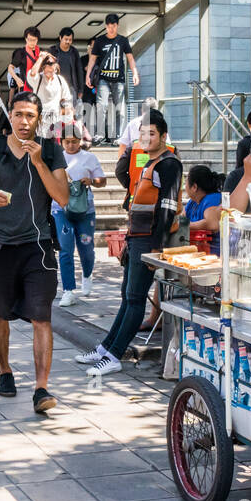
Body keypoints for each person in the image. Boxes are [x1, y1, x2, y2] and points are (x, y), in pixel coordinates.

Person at [0, 92, 71, 413]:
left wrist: (39, 161)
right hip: (0, 245)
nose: (24, 121)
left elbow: (63, 198)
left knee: (41, 317)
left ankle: (41, 388)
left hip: (38, 247)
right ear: (10, 116)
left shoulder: (52, 150)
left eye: (31, 115)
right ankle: (5, 370)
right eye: (19, 115)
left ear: (39, 119)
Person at [78, 109, 181, 376]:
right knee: (127, 296)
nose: (146, 138)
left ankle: (113, 355)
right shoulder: (148, 161)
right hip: (137, 236)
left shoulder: (169, 163)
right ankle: (106, 348)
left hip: (149, 240)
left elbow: (167, 207)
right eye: (143, 133)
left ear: (163, 135)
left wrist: (157, 247)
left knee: (135, 298)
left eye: (152, 133)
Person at [52, 122, 106, 307]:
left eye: (74, 141)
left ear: (80, 140)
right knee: (65, 250)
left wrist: (91, 181)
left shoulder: (89, 158)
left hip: (85, 209)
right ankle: (68, 290)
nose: (71, 145)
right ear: (62, 141)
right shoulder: (56, 158)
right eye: (67, 142)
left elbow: (102, 181)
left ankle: (87, 273)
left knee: (86, 249)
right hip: (61, 209)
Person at [86, 13, 140, 145]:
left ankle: (119, 136)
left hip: (119, 79)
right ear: (105, 26)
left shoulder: (122, 40)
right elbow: (92, 59)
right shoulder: (99, 41)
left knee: (119, 109)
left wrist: (135, 73)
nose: (111, 29)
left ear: (117, 26)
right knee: (101, 106)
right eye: (109, 26)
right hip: (104, 78)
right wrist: (88, 75)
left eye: (114, 26)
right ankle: (99, 135)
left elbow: (130, 58)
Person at [184, 165, 224, 255]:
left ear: (194, 187)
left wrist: (185, 225)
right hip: (197, 251)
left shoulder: (212, 198)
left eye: (186, 182)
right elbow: (182, 218)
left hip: (215, 255)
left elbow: (212, 224)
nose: (184, 186)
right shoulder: (192, 202)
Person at [35, 56, 73, 136]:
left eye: (52, 68)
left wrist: (68, 114)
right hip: (41, 118)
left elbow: (67, 98)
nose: (50, 71)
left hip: (56, 119)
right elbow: (32, 74)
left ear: (56, 68)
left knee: (55, 142)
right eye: (48, 67)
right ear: (43, 68)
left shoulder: (60, 80)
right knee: (41, 141)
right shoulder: (38, 78)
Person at [116, 96, 161, 162]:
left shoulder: (133, 123)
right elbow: (167, 145)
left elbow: (123, 145)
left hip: (136, 164)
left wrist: (120, 164)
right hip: (156, 162)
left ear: (142, 109)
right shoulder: (160, 123)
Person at [48, 27, 83, 105]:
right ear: (60, 38)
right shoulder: (53, 50)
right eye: (66, 39)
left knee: (70, 112)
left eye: (70, 40)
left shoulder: (74, 52)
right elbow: (46, 68)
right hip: (55, 86)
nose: (68, 41)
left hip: (71, 87)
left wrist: (81, 89)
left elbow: (79, 70)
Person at [9, 27, 44, 100]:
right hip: (25, 87)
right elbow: (10, 67)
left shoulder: (42, 52)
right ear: (25, 39)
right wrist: (17, 79)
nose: (31, 42)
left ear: (37, 39)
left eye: (34, 40)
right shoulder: (21, 52)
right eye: (29, 40)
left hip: (40, 88)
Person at [79, 38, 98, 132]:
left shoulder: (100, 59)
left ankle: (101, 135)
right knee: (86, 112)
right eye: (93, 47)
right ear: (89, 47)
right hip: (86, 90)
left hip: (98, 89)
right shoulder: (83, 59)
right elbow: (85, 69)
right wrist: (91, 56)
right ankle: (85, 132)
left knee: (100, 112)